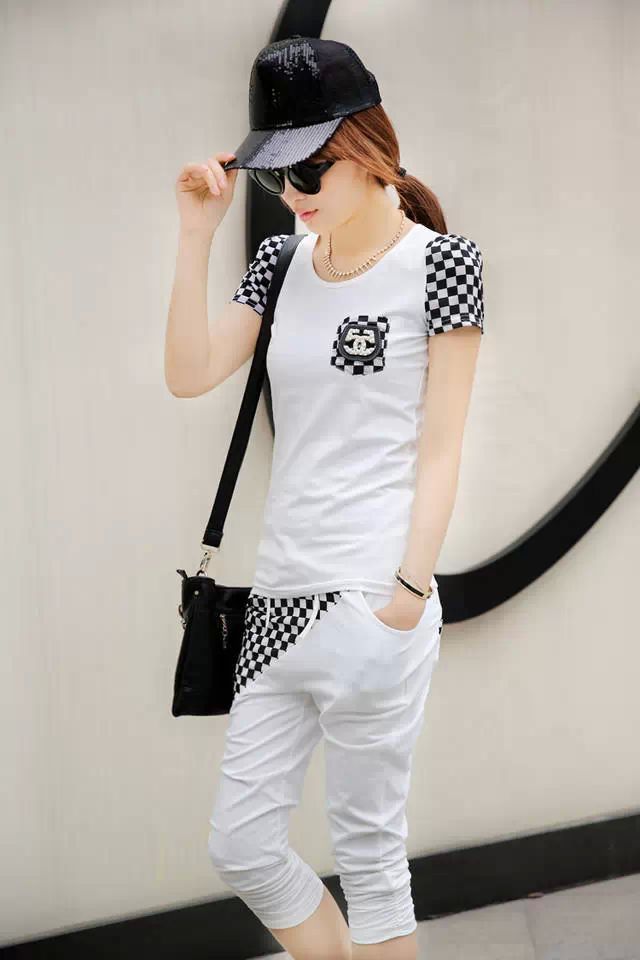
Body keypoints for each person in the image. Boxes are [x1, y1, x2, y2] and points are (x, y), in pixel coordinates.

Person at [165, 35, 484, 960]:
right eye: (276, 174)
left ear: (365, 146)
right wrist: (195, 236)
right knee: (242, 846)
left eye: (308, 168)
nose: (292, 192)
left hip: (371, 598)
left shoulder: (440, 266)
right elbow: (190, 373)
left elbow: (442, 448)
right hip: (277, 599)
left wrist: (407, 593)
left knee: (372, 865)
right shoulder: (281, 264)